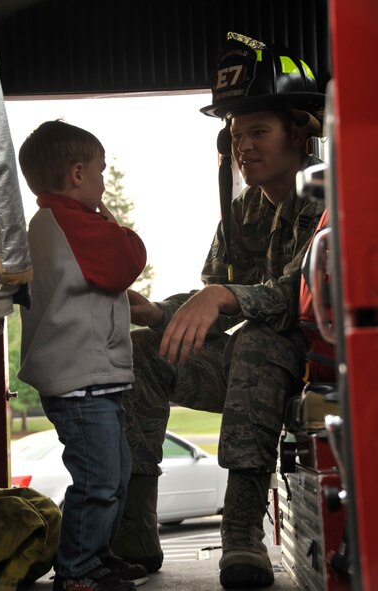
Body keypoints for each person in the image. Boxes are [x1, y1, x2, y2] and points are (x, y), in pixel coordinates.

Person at [110, 32, 327, 589]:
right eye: (236, 135)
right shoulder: (244, 212)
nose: (243, 146)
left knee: (258, 338)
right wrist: (159, 313)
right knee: (144, 354)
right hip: (254, 370)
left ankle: (240, 537)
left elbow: (295, 297)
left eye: (259, 131)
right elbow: (217, 293)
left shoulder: (332, 201)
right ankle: (133, 534)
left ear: (302, 135)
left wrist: (229, 298)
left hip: (313, 369)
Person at [17, 120, 148, 591]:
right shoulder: (71, 221)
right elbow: (129, 258)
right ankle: (76, 569)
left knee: (113, 474)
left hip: (89, 378)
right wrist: (109, 215)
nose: (103, 182)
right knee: (97, 480)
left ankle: (99, 555)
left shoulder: (55, 221)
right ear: (76, 175)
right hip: (80, 382)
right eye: (100, 172)